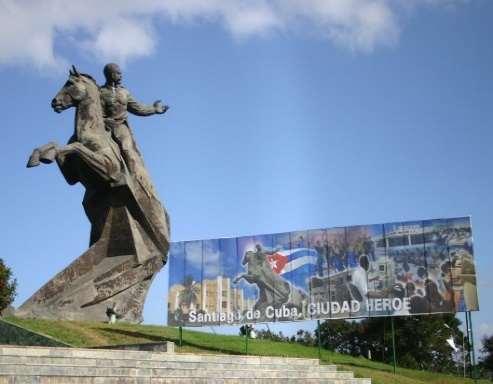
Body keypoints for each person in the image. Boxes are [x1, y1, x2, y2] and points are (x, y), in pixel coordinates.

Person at [100, 63, 169, 196]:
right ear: (110, 74)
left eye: (120, 73)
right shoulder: (100, 92)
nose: (121, 75)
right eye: (118, 73)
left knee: (127, 149)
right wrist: (103, 120)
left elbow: (138, 108)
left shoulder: (124, 92)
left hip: (120, 127)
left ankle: (133, 183)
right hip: (105, 127)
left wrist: (154, 109)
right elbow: (94, 111)